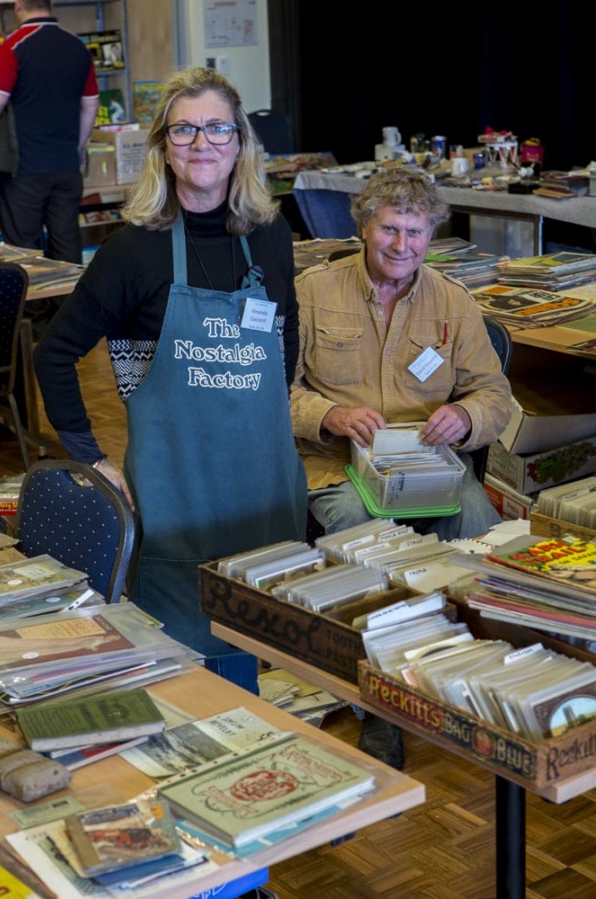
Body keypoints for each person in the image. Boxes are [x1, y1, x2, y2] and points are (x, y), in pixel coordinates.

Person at [33, 66, 308, 694]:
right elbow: (54, 353)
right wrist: (92, 458)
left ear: (240, 142)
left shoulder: (270, 235)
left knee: (267, 652)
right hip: (178, 499)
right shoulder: (134, 251)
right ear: (163, 147)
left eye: (216, 128)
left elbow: (285, 332)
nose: (201, 143)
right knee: (193, 680)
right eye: (184, 131)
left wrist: (274, 410)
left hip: (267, 489)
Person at [290, 168, 513, 766]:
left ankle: (470, 685)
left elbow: (494, 394)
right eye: (390, 228)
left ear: (430, 234)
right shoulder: (312, 292)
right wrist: (328, 414)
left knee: (477, 539)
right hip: (336, 466)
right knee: (363, 546)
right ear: (364, 226)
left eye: (416, 232)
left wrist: (465, 418)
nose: (402, 245)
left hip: (431, 467)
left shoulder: (452, 301)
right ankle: (381, 706)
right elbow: (269, 392)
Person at [0, 0, 99, 263]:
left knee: (24, 250)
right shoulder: (77, 46)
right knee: (67, 243)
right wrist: (75, 147)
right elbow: (90, 104)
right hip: (67, 167)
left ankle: (33, 306)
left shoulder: (11, 47)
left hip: (24, 170)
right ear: (50, 4)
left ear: (18, 5)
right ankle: (68, 303)